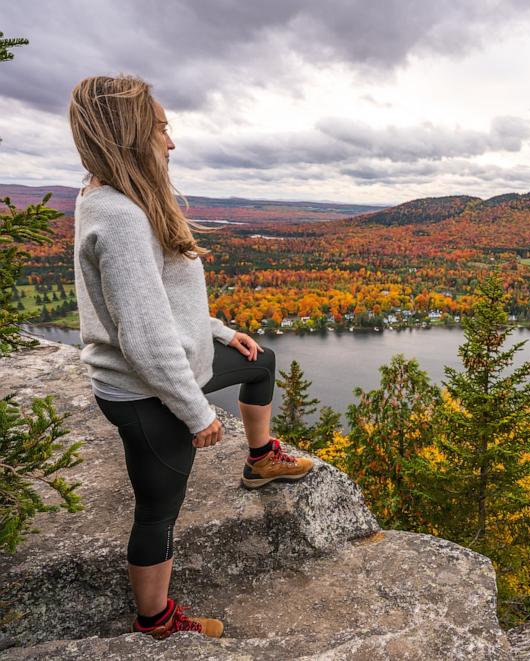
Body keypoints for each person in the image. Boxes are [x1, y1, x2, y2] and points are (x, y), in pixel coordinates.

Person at [69, 74, 314, 640]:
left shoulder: (113, 198)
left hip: (169, 367)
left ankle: (260, 461)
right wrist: (196, 413)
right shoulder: (123, 217)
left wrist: (220, 332)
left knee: (260, 360)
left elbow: (156, 302)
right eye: (161, 129)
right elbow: (146, 338)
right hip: (144, 392)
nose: (171, 142)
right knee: (159, 508)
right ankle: (155, 620)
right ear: (129, 134)